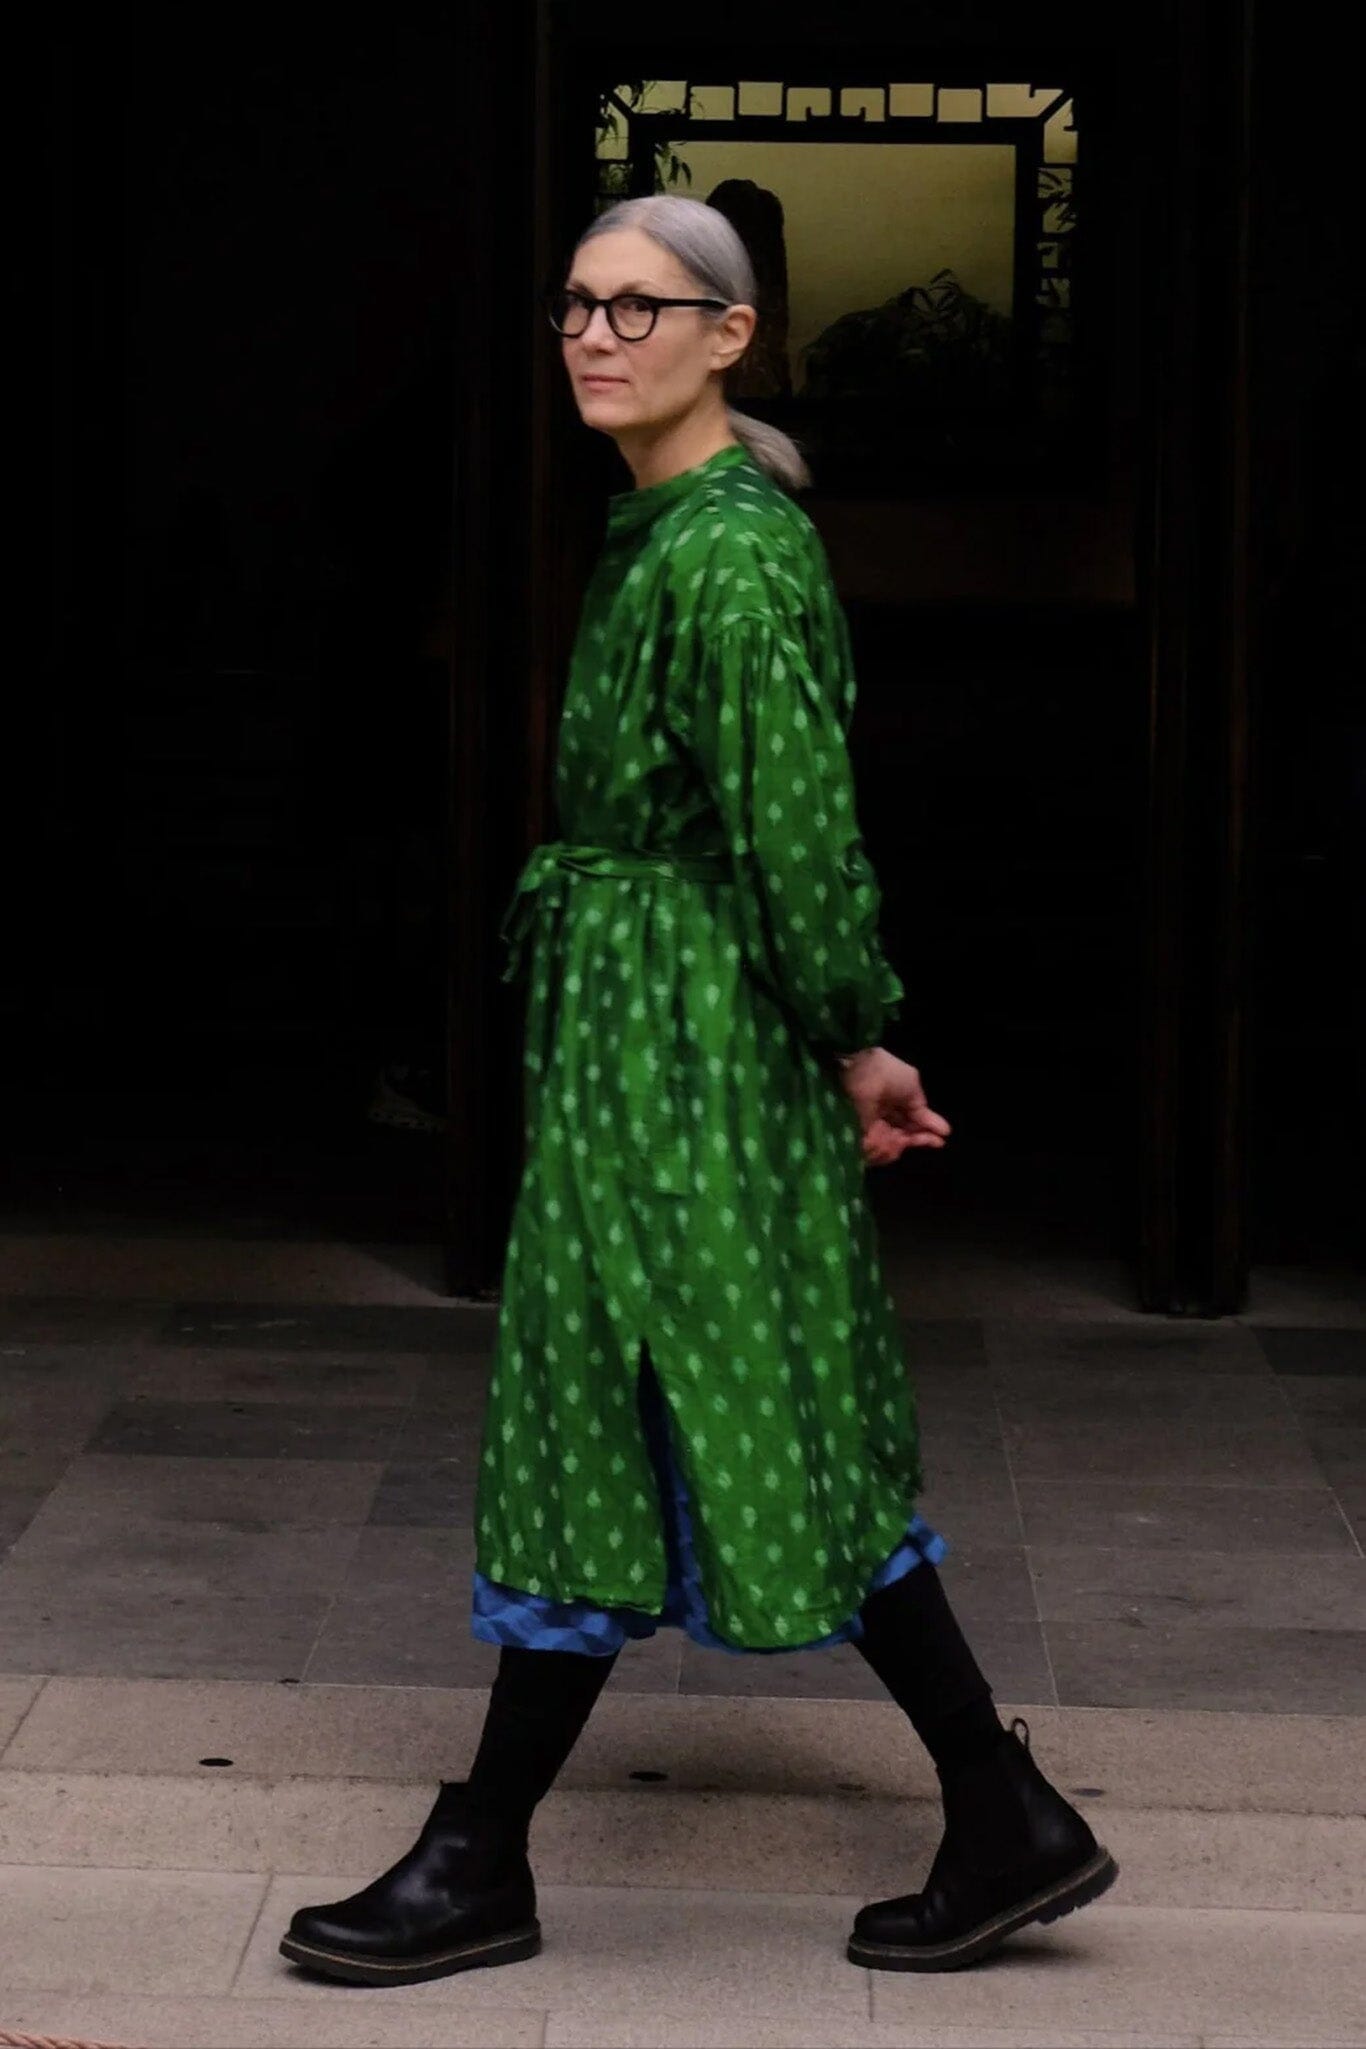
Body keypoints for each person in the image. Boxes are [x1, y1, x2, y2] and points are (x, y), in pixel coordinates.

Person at [279, 193, 1117, 1988]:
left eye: (640, 307)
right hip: (651, 1037)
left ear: (730, 335)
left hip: (686, 1051)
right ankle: (995, 1811)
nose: (594, 335)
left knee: (642, 1390)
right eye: (575, 305)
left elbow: (800, 836)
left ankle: (483, 1855)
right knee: (711, 1393)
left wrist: (858, 1028)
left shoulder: (727, 557)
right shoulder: (669, 529)